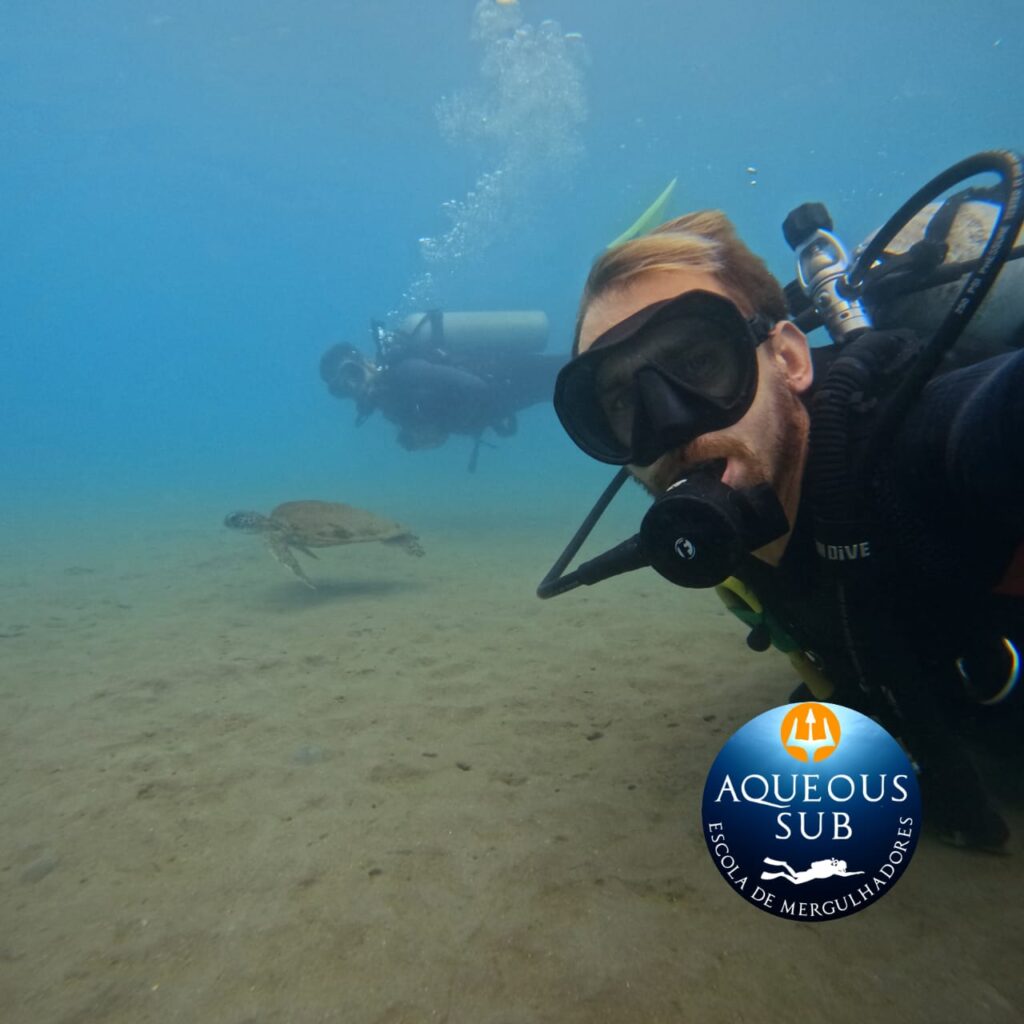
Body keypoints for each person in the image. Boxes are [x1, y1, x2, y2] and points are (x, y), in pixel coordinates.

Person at [551, 208, 1024, 849]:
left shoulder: (925, 441)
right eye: (619, 401)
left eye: (698, 359)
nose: (670, 425)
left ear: (789, 359)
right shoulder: (729, 511)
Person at [320, 310, 563, 470]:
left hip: (508, 375)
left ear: (365, 361)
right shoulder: (389, 402)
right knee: (577, 381)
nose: (353, 386)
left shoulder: (404, 371)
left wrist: (443, 428)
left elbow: (476, 387)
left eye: (352, 373)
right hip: (508, 394)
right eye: (341, 389)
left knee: (576, 370)